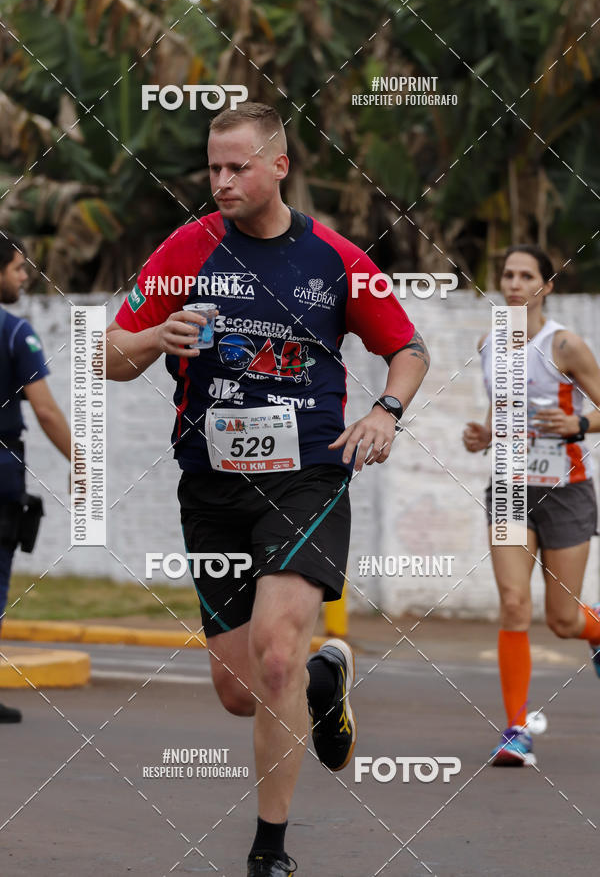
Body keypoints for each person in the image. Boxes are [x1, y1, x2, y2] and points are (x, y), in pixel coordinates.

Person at [106, 102, 429, 875]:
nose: (220, 181)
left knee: (277, 654)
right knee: (242, 690)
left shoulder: (334, 258)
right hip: (212, 487)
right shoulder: (187, 250)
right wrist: (153, 338)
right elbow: (109, 353)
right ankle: (329, 675)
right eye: (212, 167)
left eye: (237, 166)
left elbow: (408, 348)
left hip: (309, 476)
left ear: (278, 166)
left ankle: (269, 851)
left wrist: (386, 411)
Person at [463, 244, 600, 767]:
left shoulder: (565, 345)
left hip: (566, 490)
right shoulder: (489, 344)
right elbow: (506, 413)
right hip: (511, 488)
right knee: (514, 603)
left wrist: (580, 425)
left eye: (526, 276)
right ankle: (516, 729)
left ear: (546, 286)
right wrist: (484, 435)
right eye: (507, 275)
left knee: (563, 620)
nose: (515, 284)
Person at [0, 232, 71, 723]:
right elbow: (45, 410)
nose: (25, 276)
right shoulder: (14, 332)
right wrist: (82, 460)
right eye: (18, 268)